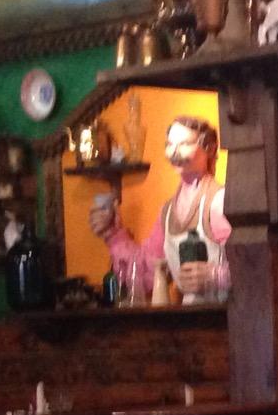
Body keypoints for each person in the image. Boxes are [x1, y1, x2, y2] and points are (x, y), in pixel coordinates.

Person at [91, 114, 231, 302]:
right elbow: (146, 270)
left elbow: (254, 264)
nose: (174, 152)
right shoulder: (168, 212)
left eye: (184, 144)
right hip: (193, 315)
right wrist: (113, 234)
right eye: (170, 144)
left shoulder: (219, 201)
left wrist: (216, 276)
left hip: (228, 313)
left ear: (209, 148)